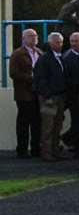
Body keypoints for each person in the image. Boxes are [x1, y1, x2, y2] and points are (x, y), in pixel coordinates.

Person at [33, 32, 68, 161]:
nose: (60, 45)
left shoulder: (60, 58)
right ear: (50, 43)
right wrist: (48, 96)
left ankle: (55, 151)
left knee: (57, 126)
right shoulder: (45, 59)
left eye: (61, 42)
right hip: (50, 97)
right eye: (57, 42)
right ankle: (47, 153)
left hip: (59, 96)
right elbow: (40, 79)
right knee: (48, 127)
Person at [10, 29, 42, 158]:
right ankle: (22, 150)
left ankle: (36, 148)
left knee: (37, 122)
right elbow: (13, 73)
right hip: (24, 93)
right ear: (23, 39)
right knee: (24, 122)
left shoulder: (39, 52)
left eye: (35, 36)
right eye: (30, 36)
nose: (34, 38)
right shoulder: (17, 54)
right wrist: (30, 78)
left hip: (37, 93)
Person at [61, 32, 79, 157]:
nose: (74, 43)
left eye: (76, 41)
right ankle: (78, 148)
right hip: (73, 95)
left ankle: (69, 140)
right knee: (77, 121)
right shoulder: (67, 57)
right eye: (72, 41)